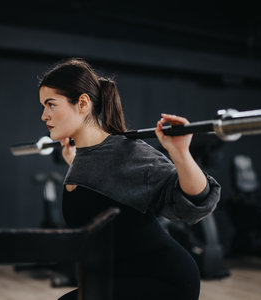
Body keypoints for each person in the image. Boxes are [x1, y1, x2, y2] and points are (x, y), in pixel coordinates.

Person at [38, 58, 221, 300]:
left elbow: (197, 204)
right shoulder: (83, 158)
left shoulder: (127, 151)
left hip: (162, 280)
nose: (44, 116)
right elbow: (102, 190)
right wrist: (73, 161)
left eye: (50, 105)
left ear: (82, 103)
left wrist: (181, 153)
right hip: (123, 277)